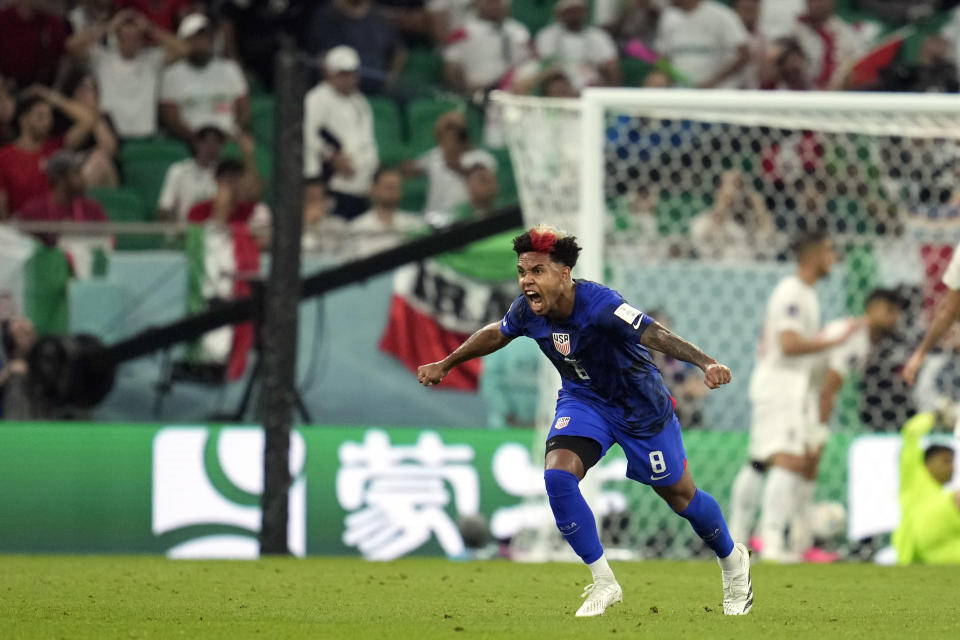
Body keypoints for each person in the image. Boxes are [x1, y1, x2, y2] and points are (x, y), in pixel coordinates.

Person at [417, 225, 753, 617]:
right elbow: (499, 333)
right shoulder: (527, 309)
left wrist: (706, 362)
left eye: (537, 271)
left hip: (639, 409)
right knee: (558, 477)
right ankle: (603, 581)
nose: (527, 281)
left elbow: (653, 332)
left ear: (564, 274)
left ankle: (733, 561)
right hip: (584, 401)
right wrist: (446, 363)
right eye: (523, 271)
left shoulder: (601, 305)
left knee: (680, 497)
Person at [729, 287, 902, 560]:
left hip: (796, 392)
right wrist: (819, 429)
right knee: (785, 461)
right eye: (889, 310)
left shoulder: (859, 334)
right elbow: (828, 388)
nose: (895, 317)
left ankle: (793, 540)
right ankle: (771, 538)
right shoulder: (855, 337)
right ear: (872, 308)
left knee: (773, 462)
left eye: (898, 312)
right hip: (796, 394)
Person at [732, 232, 859, 562]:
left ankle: (737, 536)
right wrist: (835, 340)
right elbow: (788, 344)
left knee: (760, 460)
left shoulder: (806, 294)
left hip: (784, 382)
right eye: (830, 249)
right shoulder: (793, 292)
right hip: (781, 382)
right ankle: (771, 541)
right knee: (787, 459)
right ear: (813, 254)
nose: (834, 256)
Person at [70, 8, 188, 139]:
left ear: (142, 40)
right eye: (125, 37)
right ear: (117, 38)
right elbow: (72, 47)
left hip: (145, 133)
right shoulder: (103, 58)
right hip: (113, 134)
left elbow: (183, 49)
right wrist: (106, 27)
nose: (130, 42)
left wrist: (150, 28)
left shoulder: (151, 60)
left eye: (135, 37)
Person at [303, 46, 379, 221]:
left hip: (362, 184)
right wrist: (332, 156)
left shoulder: (360, 102)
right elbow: (308, 134)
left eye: (352, 74)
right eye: (342, 74)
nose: (349, 79)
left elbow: (367, 139)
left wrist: (372, 169)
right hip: (335, 182)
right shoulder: (317, 99)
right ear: (329, 74)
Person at [159, 13, 250, 141]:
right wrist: (197, 140)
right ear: (185, 41)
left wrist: (233, 132)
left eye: (205, 38)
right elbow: (170, 118)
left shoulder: (230, 69)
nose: (201, 43)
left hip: (228, 137)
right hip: (190, 141)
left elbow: (244, 109)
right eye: (195, 38)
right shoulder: (171, 75)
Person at [892, 409, 960, 564]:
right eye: (945, 461)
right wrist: (935, 415)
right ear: (927, 463)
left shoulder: (943, 493)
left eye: (952, 462)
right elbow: (911, 432)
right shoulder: (914, 476)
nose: (951, 468)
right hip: (915, 547)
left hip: (943, 554)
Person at [16, 150, 110, 258]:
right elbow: (22, 250)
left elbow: (108, 242)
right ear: (60, 180)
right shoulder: (33, 212)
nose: (82, 178)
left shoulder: (93, 209)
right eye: (76, 174)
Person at [303, 0, 407, 93]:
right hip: (339, 92)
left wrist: (391, 77)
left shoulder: (377, 16)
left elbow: (398, 50)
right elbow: (322, 58)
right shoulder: (326, 16)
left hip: (377, 91)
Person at [48, 68, 119, 189]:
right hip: (71, 169)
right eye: (82, 89)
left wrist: (94, 117)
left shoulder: (104, 118)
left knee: (99, 158)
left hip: (104, 173)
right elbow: (68, 145)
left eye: (91, 89)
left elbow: (109, 149)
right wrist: (86, 119)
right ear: (72, 92)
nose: (86, 94)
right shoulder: (61, 118)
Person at [443, 0, 531, 95]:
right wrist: (464, 91)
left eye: (498, 2)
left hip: (513, 90)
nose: (495, 6)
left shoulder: (519, 31)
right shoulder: (464, 32)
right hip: (477, 91)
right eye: (490, 2)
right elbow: (451, 67)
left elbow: (528, 62)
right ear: (477, 4)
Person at [655, 0, 750, 89]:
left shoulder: (721, 15)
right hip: (679, 91)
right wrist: (664, 76)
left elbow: (745, 55)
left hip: (716, 92)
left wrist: (714, 81)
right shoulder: (669, 17)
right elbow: (664, 56)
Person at [534, 0, 621, 89]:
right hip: (559, 77)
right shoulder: (547, 35)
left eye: (578, 11)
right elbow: (545, 63)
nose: (574, 15)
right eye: (570, 11)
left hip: (589, 77)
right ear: (560, 14)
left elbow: (610, 62)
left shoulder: (599, 36)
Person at [0, 95, 61, 220]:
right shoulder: (5, 157)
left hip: (53, 225)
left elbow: (88, 121)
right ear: (23, 120)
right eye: (40, 116)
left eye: (49, 117)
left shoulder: (54, 151)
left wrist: (50, 95)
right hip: (19, 226)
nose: (47, 122)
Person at [402, 110, 470, 216]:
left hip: (466, 216)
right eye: (447, 131)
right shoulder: (434, 155)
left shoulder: (479, 156)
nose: (451, 136)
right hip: (434, 215)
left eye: (457, 131)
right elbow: (410, 170)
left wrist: (456, 166)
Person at [348, 168, 423, 257]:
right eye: (388, 187)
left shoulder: (415, 225)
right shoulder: (356, 228)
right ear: (374, 189)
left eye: (396, 187)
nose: (393, 191)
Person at [789, 0, 859, 91]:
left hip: (835, 96)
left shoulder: (844, 32)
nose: (816, 4)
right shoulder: (793, 29)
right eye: (812, 1)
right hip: (796, 94)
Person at [0, 0, 69, 89]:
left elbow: (65, 49)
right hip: (8, 90)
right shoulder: (3, 21)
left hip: (42, 90)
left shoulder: (51, 22)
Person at [446, 149, 499, 223]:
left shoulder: (508, 207)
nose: (490, 185)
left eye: (492, 179)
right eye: (483, 180)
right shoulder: (458, 217)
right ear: (469, 186)